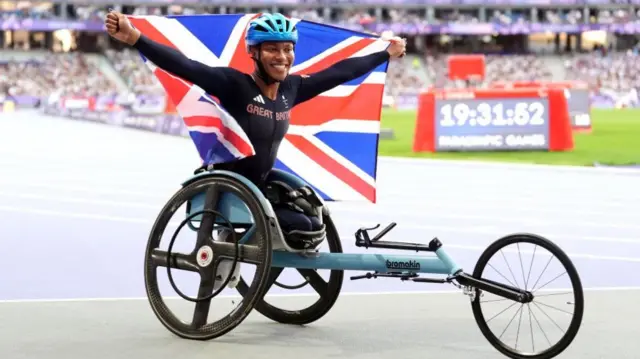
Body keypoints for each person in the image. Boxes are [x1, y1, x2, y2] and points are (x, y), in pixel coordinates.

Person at [105, 11, 406, 288]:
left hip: (261, 188)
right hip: (231, 189)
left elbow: (340, 72)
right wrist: (135, 38)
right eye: (272, 49)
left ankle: (244, 246)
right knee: (301, 225)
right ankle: (228, 244)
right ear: (254, 52)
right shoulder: (234, 84)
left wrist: (384, 53)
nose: (282, 56)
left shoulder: (292, 89)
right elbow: (186, 66)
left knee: (313, 222)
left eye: (287, 49)